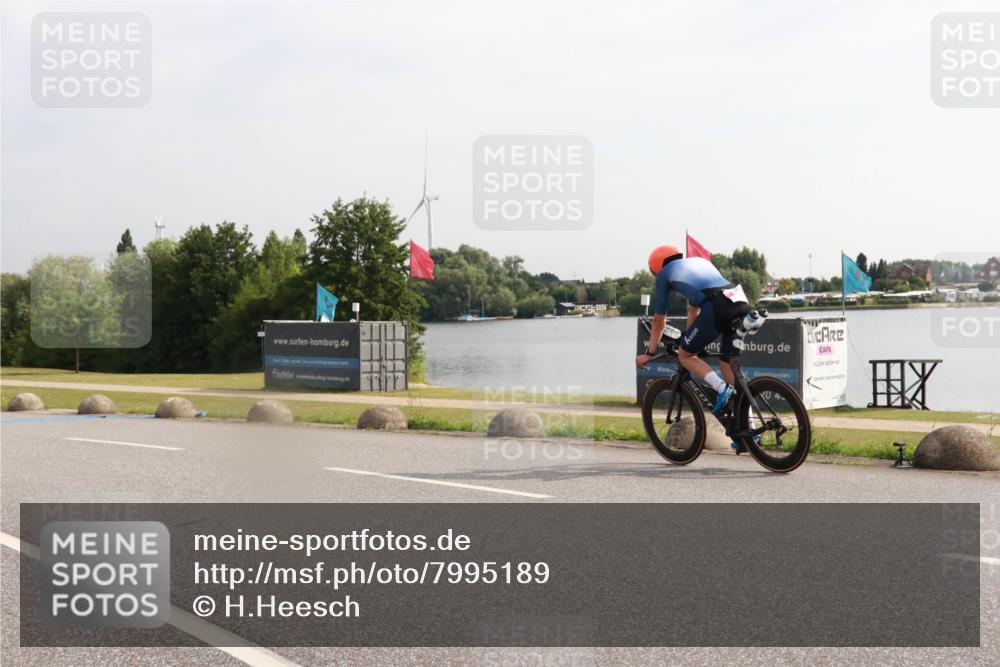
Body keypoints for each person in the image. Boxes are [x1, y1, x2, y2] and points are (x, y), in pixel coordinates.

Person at [635, 244, 751, 419]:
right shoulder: (697, 262)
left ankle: (721, 389)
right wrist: (688, 338)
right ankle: (749, 431)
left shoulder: (665, 274)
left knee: (686, 355)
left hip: (717, 306)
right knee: (726, 364)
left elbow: (659, 321)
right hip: (739, 301)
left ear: (657, 266)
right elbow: (694, 310)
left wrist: (649, 352)